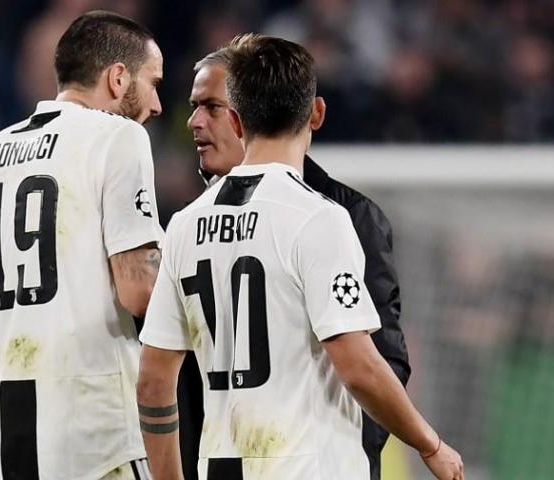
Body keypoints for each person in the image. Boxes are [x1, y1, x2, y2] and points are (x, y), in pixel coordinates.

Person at [137, 34, 463, 480]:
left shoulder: (185, 225)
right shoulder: (318, 219)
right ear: (317, 113)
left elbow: (154, 381)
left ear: (236, 119)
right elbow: (359, 365)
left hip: (220, 465)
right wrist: (431, 445)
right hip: (304, 465)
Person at [180, 43, 411, 480]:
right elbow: (176, 377)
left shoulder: (346, 216)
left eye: (212, 107)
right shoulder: (188, 226)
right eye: (194, 107)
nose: (195, 122)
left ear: (243, 115)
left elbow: (381, 362)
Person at [0, 11, 163, 480]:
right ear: (118, 78)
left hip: (5, 435)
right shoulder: (118, 137)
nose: (156, 103)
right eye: (152, 82)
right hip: (91, 433)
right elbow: (140, 291)